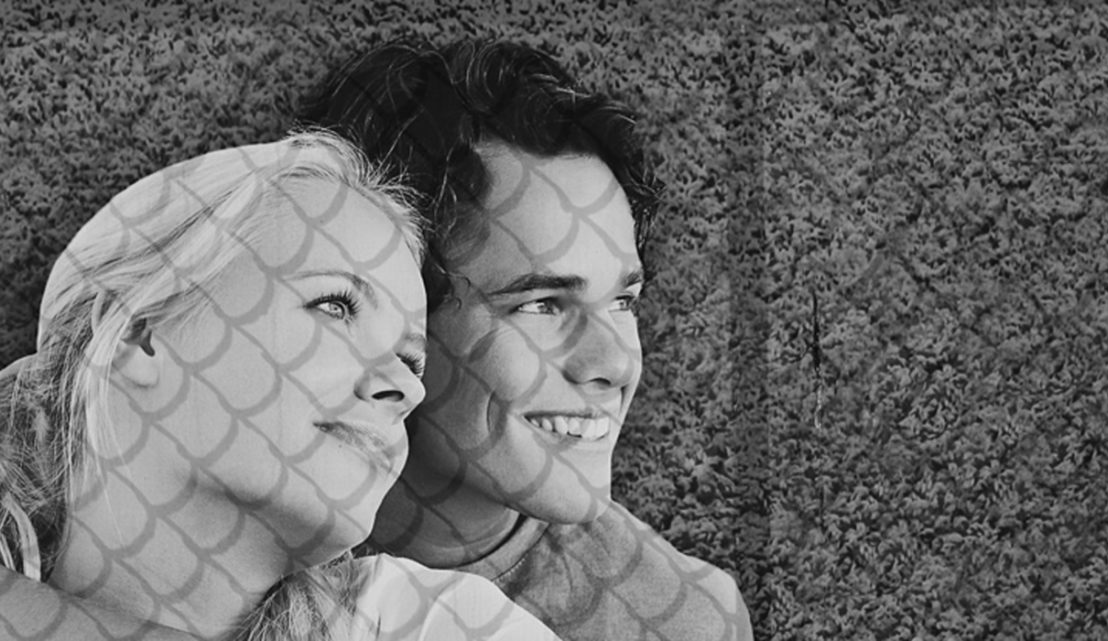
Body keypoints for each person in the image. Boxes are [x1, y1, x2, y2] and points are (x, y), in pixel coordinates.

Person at [0, 131, 558, 640]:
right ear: (138, 335)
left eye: (411, 362)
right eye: (335, 305)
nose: (408, 390)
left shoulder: (439, 624)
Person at [299, 38, 755, 640]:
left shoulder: (684, 621)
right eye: (541, 304)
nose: (616, 363)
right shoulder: (222, 573)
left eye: (623, 301)